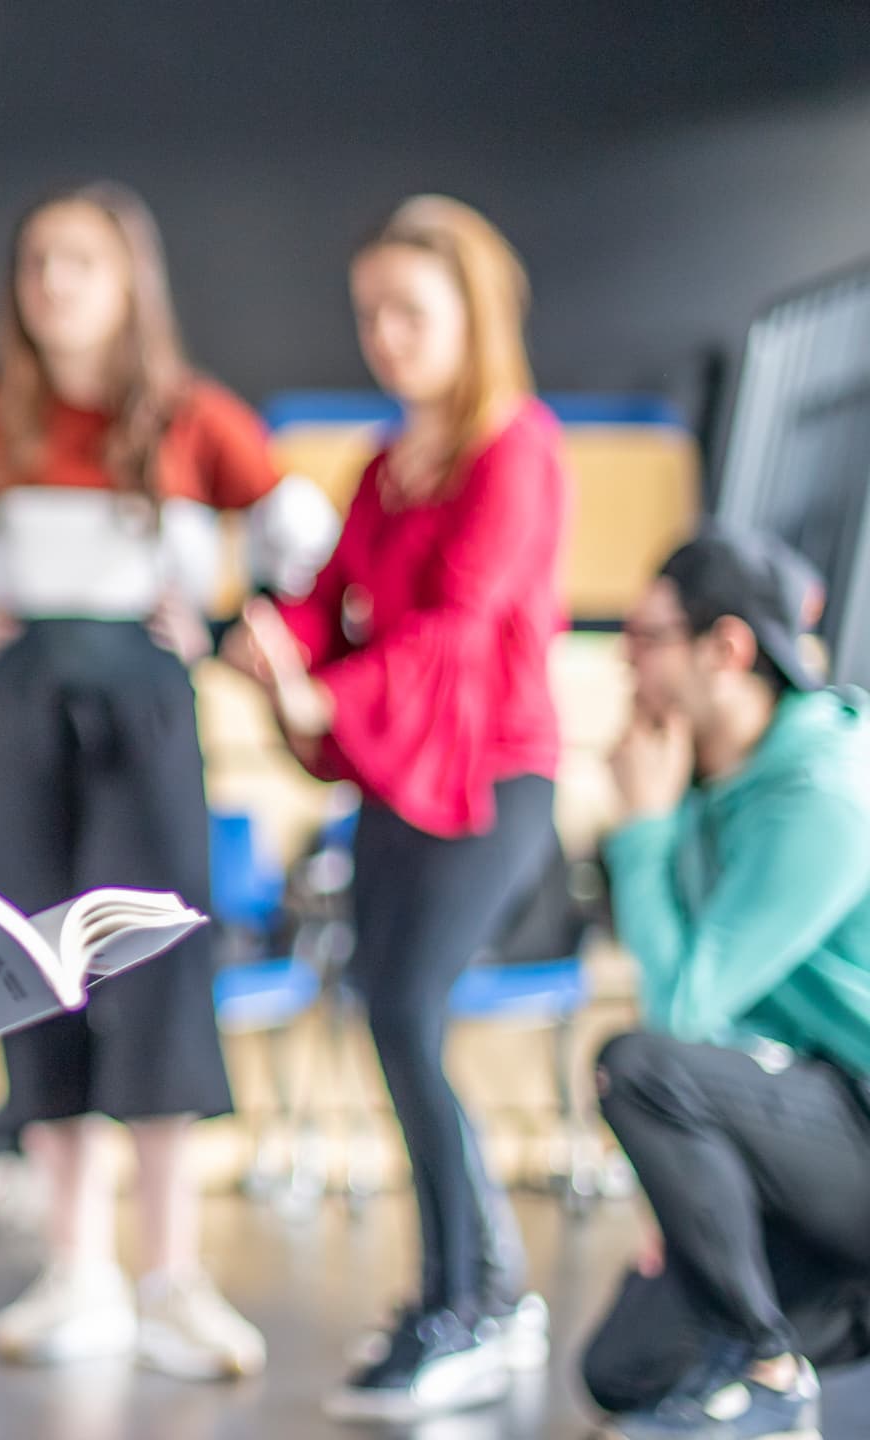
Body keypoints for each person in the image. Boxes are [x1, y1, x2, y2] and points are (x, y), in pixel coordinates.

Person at [0, 181, 327, 1381]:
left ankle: (171, 1278)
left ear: (128, 283)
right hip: (14, 716)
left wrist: (217, 630)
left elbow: (302, 539)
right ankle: (76, 1270)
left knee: (154, 965)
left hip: (149, 717)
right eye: (38, 261)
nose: (53, 283)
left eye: (81, 263)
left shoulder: (194, 419)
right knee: (38, 966)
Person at [223, 194, 569, 1421]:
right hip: (394, 779)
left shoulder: (516, 448)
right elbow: (335, 604)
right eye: (368, 312)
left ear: (469, 316)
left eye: (407, 311)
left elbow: (453, 637)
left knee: (409, 1012)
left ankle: (468, 1297)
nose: (383, 334)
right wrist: (278, 650)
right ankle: (478, 1289)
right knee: (390, 1013)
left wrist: (323, 695)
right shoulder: (383, 463)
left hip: (489, 778)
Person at [579, 531, 870, 1440]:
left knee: (635, 1064)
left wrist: (645, 830)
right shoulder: (711, 777)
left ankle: (770, 1371)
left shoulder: (824, 791)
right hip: (815, 1117)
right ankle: (802, 1323)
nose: (625, 659)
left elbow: (683, 1017)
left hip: (858, 1117)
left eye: (645, 635)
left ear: (727, 649)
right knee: (622, 1369)